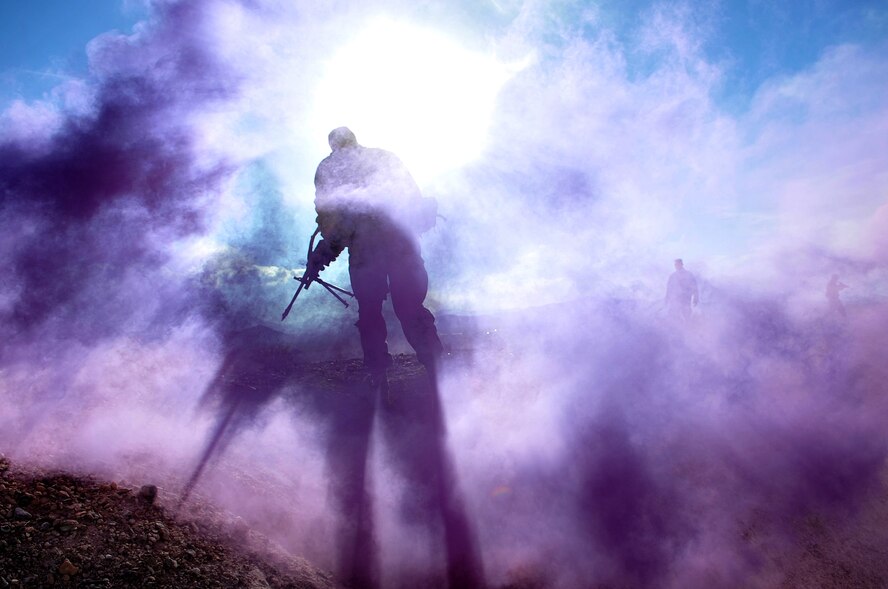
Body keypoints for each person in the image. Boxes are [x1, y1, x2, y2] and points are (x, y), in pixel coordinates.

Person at [307, 127, 443, 388]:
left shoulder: (329, 168)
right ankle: (434, 369)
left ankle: (379, 376)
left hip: (367, 252)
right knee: (409, 309)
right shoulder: (384, 158)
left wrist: (321, 256)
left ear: (333, 145)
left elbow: (333, 223)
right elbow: (412, 200)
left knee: (371, 313)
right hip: (400, 245)